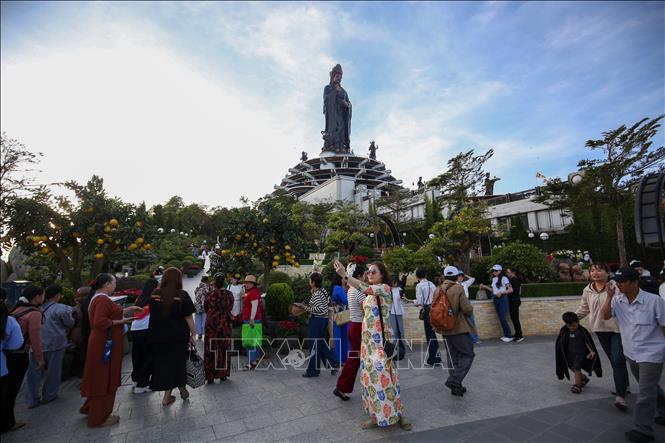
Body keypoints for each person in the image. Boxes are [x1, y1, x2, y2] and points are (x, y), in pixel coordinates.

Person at [333, 260, 412, 431]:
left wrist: (345, 276)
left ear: (382, 275)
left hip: (381, 344)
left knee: (388, 379)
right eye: (368, 272)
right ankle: (376, 416)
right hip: (367, 344)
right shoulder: (369, 295)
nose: (370, 274)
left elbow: (364, 287)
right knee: (370, 380)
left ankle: (398, 414)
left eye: (373, 272)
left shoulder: (384, 289)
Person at [601, 267, 665, 443]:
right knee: (649, 386)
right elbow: (605, 316)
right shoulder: (617, 300)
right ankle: (663, 407)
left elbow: (664, 326)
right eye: (617, 281)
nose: (618, 284)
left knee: (644, 392)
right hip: (631, 352)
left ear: (635, 283)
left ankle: (642, 429)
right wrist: (608, 296)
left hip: (652, 353)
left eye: (622, 281)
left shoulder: (654, 301)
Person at [80, 274, 142, 427]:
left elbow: (107, 314)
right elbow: (100, 321)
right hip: (104, 343)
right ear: (107, 284)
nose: (115, 285)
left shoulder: (98, 297)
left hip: (101, 341)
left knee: (100, 375)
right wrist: (123, 321)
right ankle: (99, 416)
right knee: (104, 376)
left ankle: (91, 408)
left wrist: (129, 310)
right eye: (114, 282)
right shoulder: (101, 299)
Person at [576, 262, 630, 410]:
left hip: (618, 329)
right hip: (600, 329)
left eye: (599, 270)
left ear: (608, 273)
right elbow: (584, 308)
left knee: (618, 359)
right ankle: (624, 385)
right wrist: (572, 319)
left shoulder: (616, 286)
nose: (595, 273)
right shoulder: (588, 290)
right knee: (614, 360)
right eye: (592, 270)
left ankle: (620, 396)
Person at [148, 267, 196, 406]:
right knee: (177, 363)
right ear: (178, 279)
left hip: (158, 336)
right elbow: (188, 317)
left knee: (165, 364)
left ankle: (175, 393)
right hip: (177, 337)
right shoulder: (181, 295)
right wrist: (193, 333)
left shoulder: (155, 294)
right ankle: (173, 393)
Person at [25, 285, 74, 407]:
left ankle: (32, 399)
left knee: (33, 373)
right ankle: (49, 395)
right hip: (55, 344)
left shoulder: (33, 309)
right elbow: (70, 323)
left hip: (35, 345)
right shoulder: (62, 308)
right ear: (58, 295)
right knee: (53, 371)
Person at [439, 266, 476, 397]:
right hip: (458, 328)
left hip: (444, 327)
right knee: (468, 354)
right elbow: (467, 309)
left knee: (452, 357)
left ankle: (456, 387)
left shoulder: (438, 289)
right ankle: (454, 380)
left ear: (444, 276)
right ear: (456, 277)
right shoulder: (458, 288)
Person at [9, 285, 45, 412]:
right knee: (13, 387)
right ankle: (8, 420)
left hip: (8, 352)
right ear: (36, 297)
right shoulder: (34, 313)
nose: (44, 298)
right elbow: (35, 337)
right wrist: (40, 359)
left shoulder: (16, 309)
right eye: (43, 295)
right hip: (19, 353)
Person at [334, 264, 367, 401]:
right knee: (355, 359)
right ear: (358, 276)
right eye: (365, 274)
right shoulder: (358, 290)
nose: (367, 276)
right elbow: (366, 310)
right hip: (359, 326)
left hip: (353, 325)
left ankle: (342, 387)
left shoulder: (351, 289)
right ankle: (341, 386)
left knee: (354, 358)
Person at [299, 273, 340, 378]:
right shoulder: (322, 291)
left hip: (317, 321)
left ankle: (313, 371)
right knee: (320, 344)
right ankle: (333, 362)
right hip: (322, 321)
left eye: (310, 280)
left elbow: (320, 310)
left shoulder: (317, 293)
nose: (309, 282)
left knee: (314, 346)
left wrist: (306, 308)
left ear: (313, 283)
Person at [555, 312, 602, 394]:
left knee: (577, 368)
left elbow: (587, 342)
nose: (572, 328)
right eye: (569, 326)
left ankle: (578, 385)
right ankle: (583, 378)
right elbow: (561, 342)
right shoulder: (564, 331)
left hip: (580, 354)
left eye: (574, 325)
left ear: (578, 322)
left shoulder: (582, 331)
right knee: (570, 366)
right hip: (569, 354)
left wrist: (591, 351)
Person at [1, 288, 25, 433]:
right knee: (5, 397)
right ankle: (7, 423)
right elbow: (16, 343)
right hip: (2, 365)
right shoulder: (8, 320)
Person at [204, 274, 234, 383]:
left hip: (211, 323)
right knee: (224, 348)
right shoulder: (229, 295)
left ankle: (210, 376)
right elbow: (230, 307)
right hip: (224, 323)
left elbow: (206, 308)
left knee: (210, 349)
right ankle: (223, 374)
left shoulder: (209, 295)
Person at [130, 278, 158, 394]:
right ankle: (143, 384)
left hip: (135, 329)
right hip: (146, 329)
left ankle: (136, 379)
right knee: (148, 357)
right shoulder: (153, 299)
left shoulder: (140, 299)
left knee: (137, 355)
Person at [414, 267, 441, 366]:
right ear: (425, 275)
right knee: (433, 333)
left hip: (426, 310)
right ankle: (436, 357)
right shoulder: (432, 284)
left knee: (429, 335)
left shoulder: (419, 286)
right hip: (434, 309)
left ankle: (432, 359)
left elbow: (419, 301)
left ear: (417, 276)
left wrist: (410, 301)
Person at [480, 265, 513, 342]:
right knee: (500, 318)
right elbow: (494, 291)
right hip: (496, 299)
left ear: (500, 271)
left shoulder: (504, 278)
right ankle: (506, 335)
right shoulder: (494, 279)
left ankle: (509, 336)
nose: (494, 272)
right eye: (493, 270)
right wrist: (485, 286)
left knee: (502, 317)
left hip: (503, 298)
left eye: (495, 270)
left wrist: (501, 292)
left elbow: (511, 290)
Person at [241, 275, 263, 370]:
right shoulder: (252, 292)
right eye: (245, 283)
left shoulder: (253, 293)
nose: (245, 284)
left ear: (251, 284)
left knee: (250, 342)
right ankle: (254, 360)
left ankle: (252, 362)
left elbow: (254, 306)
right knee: (254, 341)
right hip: (253, 319)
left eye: (246, 283)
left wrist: (251, 319)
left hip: (251, 320)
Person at [69, 286, 90, 377]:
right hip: (79, 336)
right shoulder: (75, 310)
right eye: (79, 296)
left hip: (83, 336)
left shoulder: (78, 309)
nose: (80, 298)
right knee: (80, 356)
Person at [457, 271, 481, 344]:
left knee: (471, 321)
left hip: (467, 303)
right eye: (459, 276)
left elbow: (473, 279)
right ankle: (463, 340)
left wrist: (465, 274)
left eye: (462, 276)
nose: (460, 277)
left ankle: (475, 339)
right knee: (460, 323)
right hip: (458, 303)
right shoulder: (454, 284)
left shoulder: (465, 284)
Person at [330, 273, 350, 364]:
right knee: (344, 338)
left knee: (338, 338)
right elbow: (346, 301)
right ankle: (343, 358)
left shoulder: (334, 288)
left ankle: (339, 358)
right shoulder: (339, 288)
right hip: (343, 317)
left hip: (337, 316)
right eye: (343, 278)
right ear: (339, 279)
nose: (345, 280)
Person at [389, 274, 407, 353]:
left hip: (399, 311)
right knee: (394, 332)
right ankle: (394, 350)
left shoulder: (400, 289)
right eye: (393, 281)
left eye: (395, 281)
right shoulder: (388, 290)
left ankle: (403, 349)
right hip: (392, 312)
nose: (394, 283)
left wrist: (403, 298)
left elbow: (403, 300)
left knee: (401, 331)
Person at [505, 268, 525, 343]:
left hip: (514, 301)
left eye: (508, 272)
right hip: (514, 301)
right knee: (514, 318)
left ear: (512, 273)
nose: (507, 273)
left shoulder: (514, 280)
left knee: (515, 319)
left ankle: (520, 336)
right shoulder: (514, 280)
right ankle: (517, 333)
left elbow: (514, 291)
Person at [194, 276, 210, 340]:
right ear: (207, 281)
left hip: (197, 306)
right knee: (204, 320)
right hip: (204, 306)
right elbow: (208, 295)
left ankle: (199, 334)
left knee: (198, 320)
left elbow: (195, 293)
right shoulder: (206, 287)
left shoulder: (198, 286)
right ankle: (204, 334)